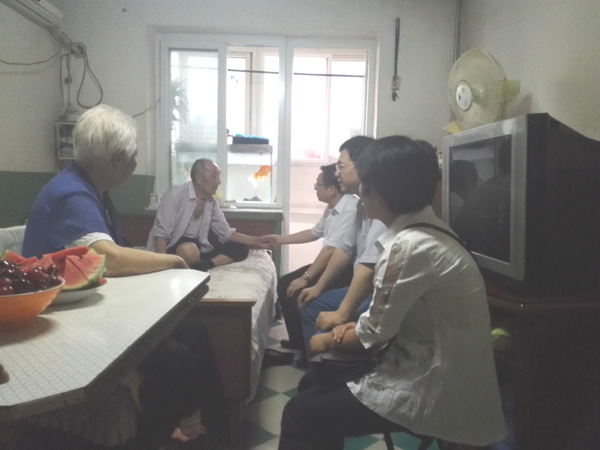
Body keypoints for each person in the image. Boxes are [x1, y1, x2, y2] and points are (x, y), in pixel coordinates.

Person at [279, 135, 506, 450]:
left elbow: (372, 335)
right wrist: (354, 327)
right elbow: (386, 320)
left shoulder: (407, 247)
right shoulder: (430, 231)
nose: (359, 191)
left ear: (376, 193)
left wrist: (327, 340)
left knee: (299, 413)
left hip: (432, 385)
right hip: (439, 369)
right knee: (313, 383)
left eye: (364, 183)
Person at [22, 105, 228, 450]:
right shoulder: (72, 193)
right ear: (117, 160)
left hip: (86, 309)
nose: (136, 161)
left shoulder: (95, 192)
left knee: (194, 332)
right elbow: (108, 258)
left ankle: (214, 426)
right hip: (59, 325)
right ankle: (159, 436)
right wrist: (174, 260)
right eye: (133, 155)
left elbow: (117, 249)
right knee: (175, 361)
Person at [296, 136, 387, 359]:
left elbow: (368, 268)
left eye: (341, 166)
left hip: (375, 293)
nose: (337, 173)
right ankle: (315, 365)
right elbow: (344, 249)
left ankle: (328, 367)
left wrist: (341, 314)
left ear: (364, 165)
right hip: (363, 287)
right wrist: (317, 287)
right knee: (310, 304)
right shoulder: (360, 204)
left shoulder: (380, 205)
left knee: (322, 324)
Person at [261, 164, 357, 360]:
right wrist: (280, 239)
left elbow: (331, 250)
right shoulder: (332, 207)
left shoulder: (350, 207)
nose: (315, 187)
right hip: (333, 263)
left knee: (296, 289)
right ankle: (298, 341)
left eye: (318, 184)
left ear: (332, 189)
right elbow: (314, 232)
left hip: (345, 269)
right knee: (285, 283)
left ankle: (309, 354)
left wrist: (305, 278)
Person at [146, 158, 267, 271]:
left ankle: (206, 264)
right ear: (199, 179)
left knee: (241, 246)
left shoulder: (211, 201)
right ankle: (190, 263)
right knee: (188, 250)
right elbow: (161, 235)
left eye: (218, 176)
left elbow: (226, 233)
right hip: (173, 248)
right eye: (214, 176)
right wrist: (163, 265)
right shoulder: (175, 195)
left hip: (198, 247)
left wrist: (257, 241)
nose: (218, 181)